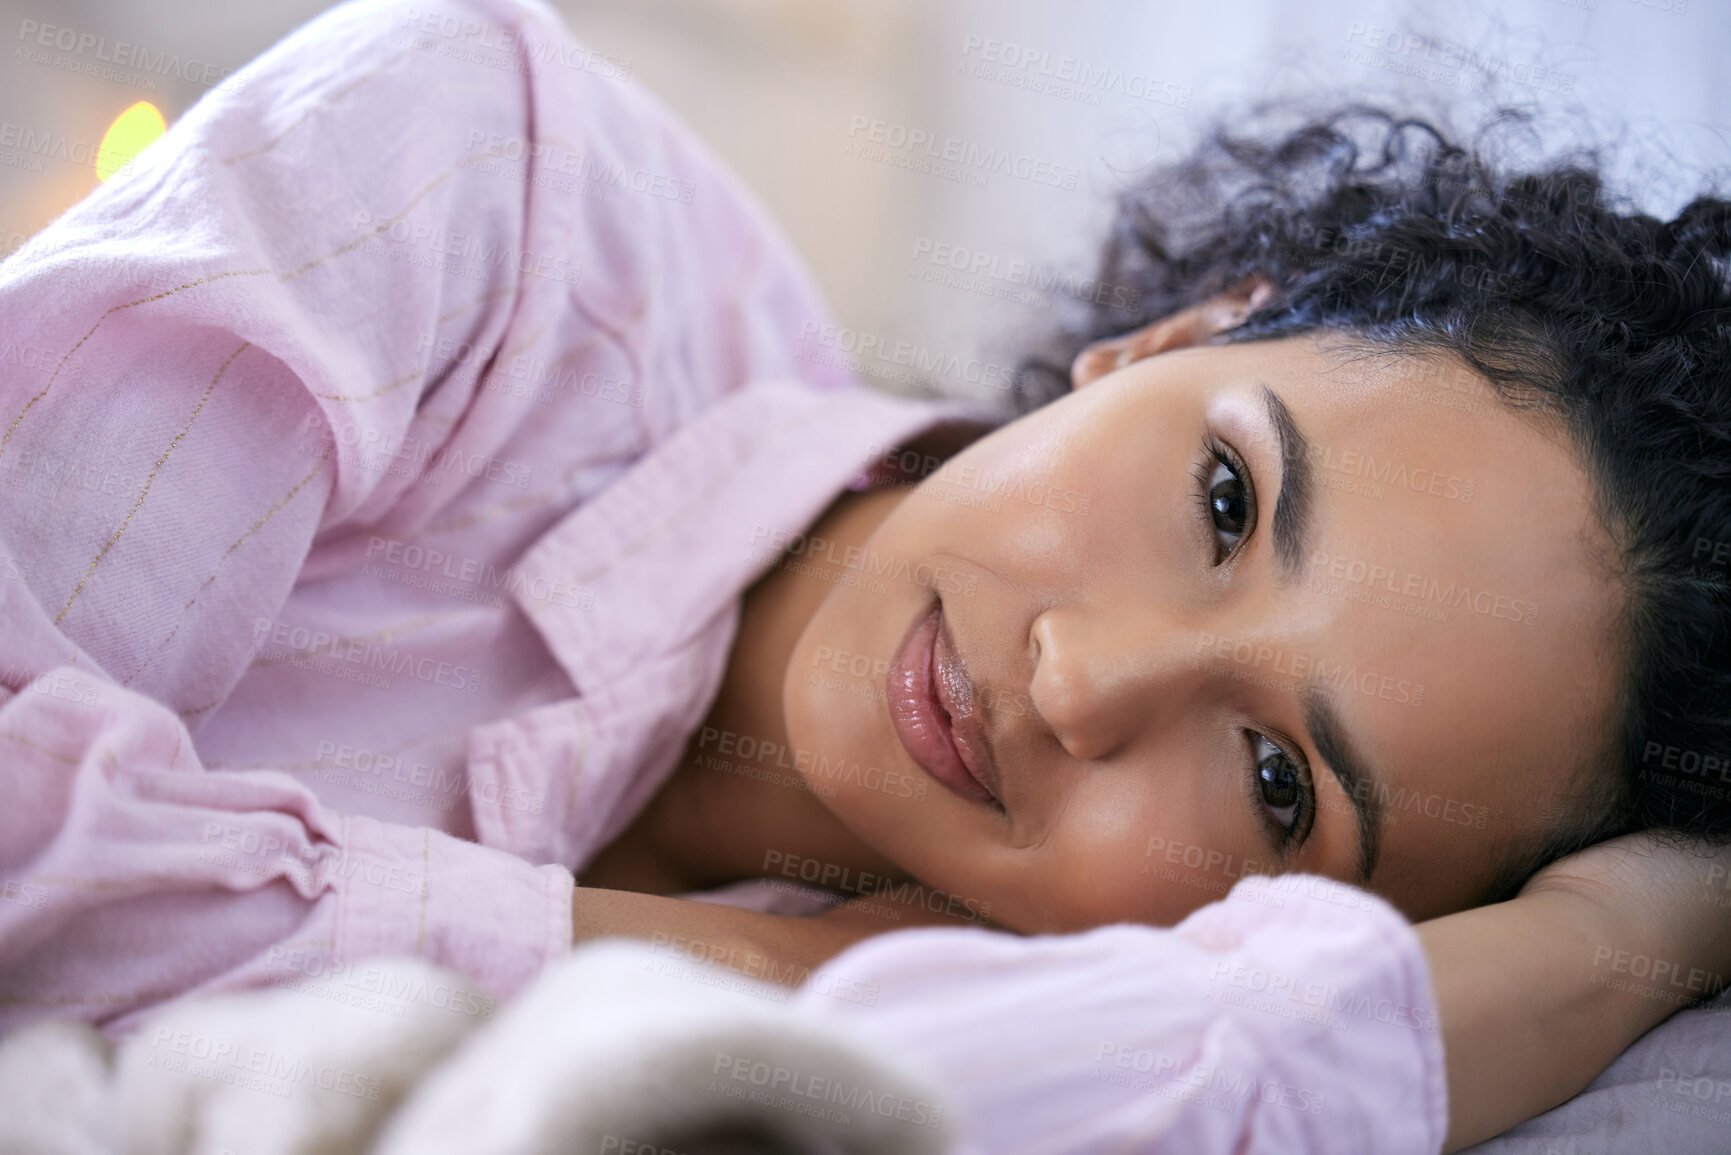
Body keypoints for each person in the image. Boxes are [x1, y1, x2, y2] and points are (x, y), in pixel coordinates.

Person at [0, 0, 1724, 1149]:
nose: (1079, 683)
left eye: (1277, 782)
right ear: (1173, 335)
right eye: (1223, 496)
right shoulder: (488, 184)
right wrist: (747, 985)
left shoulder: (1000, 1040)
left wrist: (1592, 961)